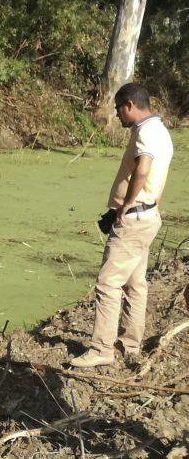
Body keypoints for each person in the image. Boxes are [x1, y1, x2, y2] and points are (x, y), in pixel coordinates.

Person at [70, 83, 173, 368]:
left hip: (134, 219)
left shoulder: (145, 133)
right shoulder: (162, 131)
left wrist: (125, 205)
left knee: (107, 283)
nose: (117, 116)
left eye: (118, 109)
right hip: (148, 216)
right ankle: (130, 344)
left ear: (129, 105)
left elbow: (142, 169)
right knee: (135, 283)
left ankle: (101, 349)